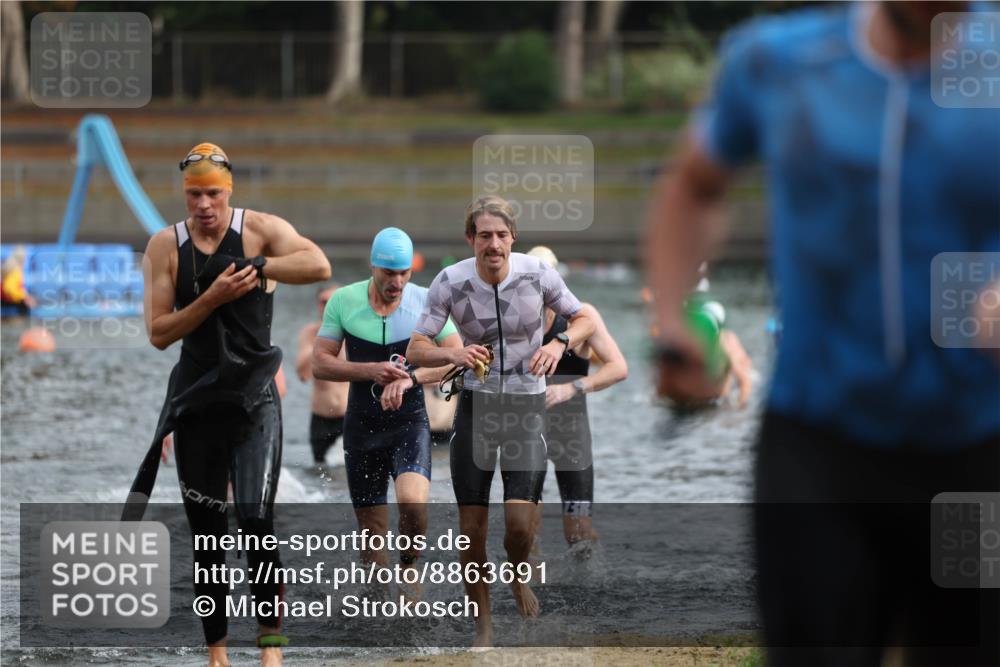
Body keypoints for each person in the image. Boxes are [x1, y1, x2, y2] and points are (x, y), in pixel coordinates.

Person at [646, 3, 999, 665]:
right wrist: (674, 326)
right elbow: (692, 188)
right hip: (821, 445)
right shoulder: (778, 61)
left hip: (977, 446)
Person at [142, 142, 330, 667]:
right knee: (207, 536)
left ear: (230, 191)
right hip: (197, 402)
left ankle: (271, 651)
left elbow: (318, 264)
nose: (204, 204)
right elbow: (158, 333)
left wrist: (260, 266)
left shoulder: (259, 228)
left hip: (254, 401)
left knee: (254, 519)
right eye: (194, 194)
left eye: (213, 194)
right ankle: (217, 654)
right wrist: (211, 298)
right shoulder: (164, 247)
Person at [407, 196, 595, 647]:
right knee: (471, 530)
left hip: (527, 412)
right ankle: (484, 627)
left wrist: (559, 344)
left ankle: (515, 572)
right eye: (484, 235)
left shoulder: (538, 274)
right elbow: (416, 347)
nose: (493, 244)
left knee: (517, 525)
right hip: (477, 409)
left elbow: (585, 317)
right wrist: (454, 353)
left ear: (513, 237)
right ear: (470, 239)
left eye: (501, 235)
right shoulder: (450, 282)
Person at [311, 228, 462, 599]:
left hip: (409, 423)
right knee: (372, 543)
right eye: (388, 273)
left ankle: (410, 567)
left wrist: (412, 378)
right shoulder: (344, 300)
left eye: (404, 273)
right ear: (373, 266)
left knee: (413, 503)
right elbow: (320, 363)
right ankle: (378, 613)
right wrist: (371, 371)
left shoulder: (427, 302)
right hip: (361, 426)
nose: (396, 282)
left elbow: (458, 361)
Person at [525, 246, 628, 549]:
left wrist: (573, 388)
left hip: (572, 434)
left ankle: (593, 576)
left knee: (578, 534)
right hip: (529, 432)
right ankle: (531, 588)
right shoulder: (513, 320)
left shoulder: (581, 317)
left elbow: (619, 367)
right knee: (528, 527)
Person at [296, 284, 349, 465]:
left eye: (333, 302)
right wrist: (325, 336)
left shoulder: (354, 332)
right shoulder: (310, 333)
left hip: (350, 416)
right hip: (321, 417)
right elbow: (303, 374)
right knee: (319, 472)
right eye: (324, 302)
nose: (327, 306)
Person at [1, 246, 36, 315]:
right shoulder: (15, 270)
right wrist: (24, 297)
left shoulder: (9, 266)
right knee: (28, 304)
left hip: (5, 297)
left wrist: (25, 296)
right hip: (8, 298)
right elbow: (10, 288)